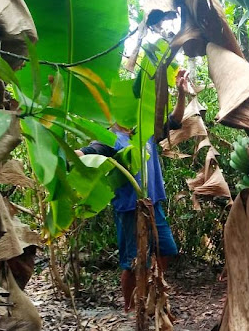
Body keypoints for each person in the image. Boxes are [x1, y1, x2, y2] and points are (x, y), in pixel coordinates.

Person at [75, 70, 189, 312]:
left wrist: (180, 92)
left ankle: (152, 287)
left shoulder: (144, 132)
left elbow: (175, 120)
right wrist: (68, 152)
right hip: (129, 209)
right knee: (131, 262)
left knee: (166, 249)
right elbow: (87, 152)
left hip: (153, 203)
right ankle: (129, 307)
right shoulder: (110, 139)